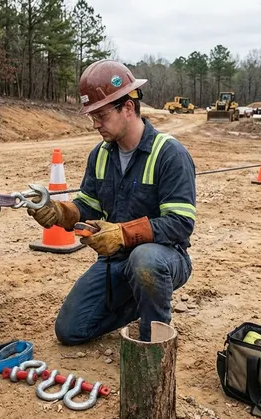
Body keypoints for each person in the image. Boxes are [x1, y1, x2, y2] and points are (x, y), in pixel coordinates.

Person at [27, 60, 197, 344]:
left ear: (128, 108)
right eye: (91, 116)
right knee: (69, 330)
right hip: (116, 262)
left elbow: (180, 224)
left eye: (101, 115)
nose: (95, 124)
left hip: (164, 259)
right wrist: (60, 212)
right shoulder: (101, 155)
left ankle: (153, 339)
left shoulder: (169, 154)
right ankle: (139, 305)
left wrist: (122, 234)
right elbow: (89, 205)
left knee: (145, 260)